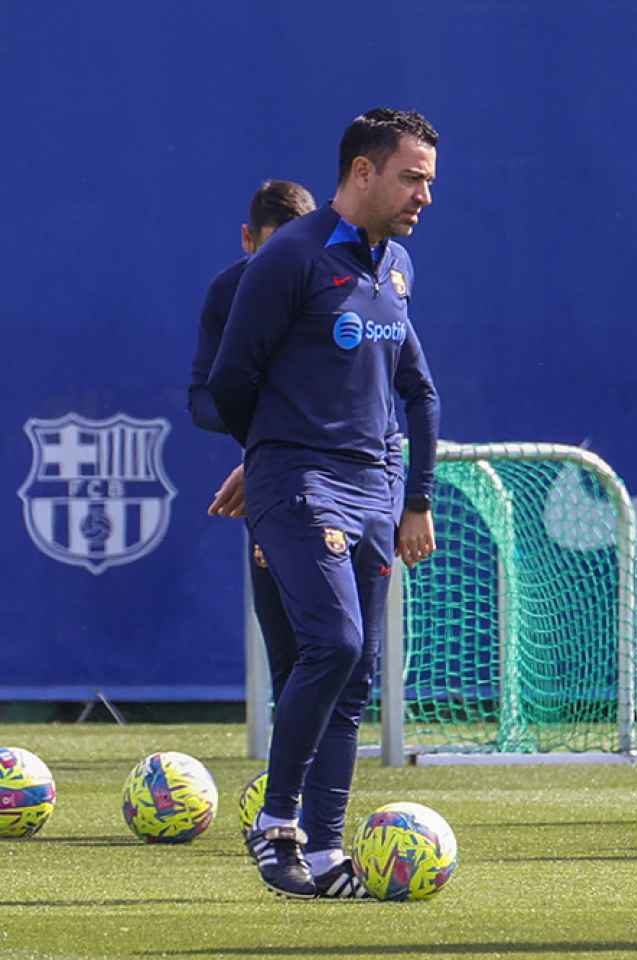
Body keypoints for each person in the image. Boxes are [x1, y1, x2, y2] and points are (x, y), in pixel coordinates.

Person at [207, 108, 442, 900]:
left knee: (357, 676)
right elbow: (230, 379)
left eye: (430, 181)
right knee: (334, 642)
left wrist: (417, 497)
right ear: (363, 172)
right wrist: (268, 462)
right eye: (411, 177)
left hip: (375, 486)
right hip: (301, 481)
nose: (424, 196)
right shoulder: (291, 260)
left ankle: (327, 848)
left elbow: (421, 391)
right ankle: (276, 827)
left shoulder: (398, 266)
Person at [187, 180, 316, 707]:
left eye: (298, 247)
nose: (285, 266)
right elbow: (204, 400)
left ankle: (321, 779)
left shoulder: (344, 283)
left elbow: (383, 395)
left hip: (349, 485)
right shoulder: (229, 292)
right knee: (288, 654)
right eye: (272, 251)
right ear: (248, 240)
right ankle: (295, 788)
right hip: (277, 486)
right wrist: (266, 448)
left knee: (343, 652)